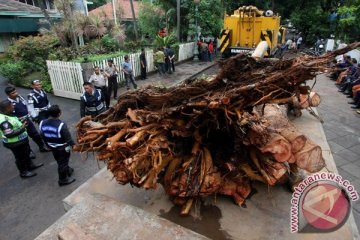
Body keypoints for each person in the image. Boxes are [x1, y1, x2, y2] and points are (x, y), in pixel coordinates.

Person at [0, 100, 43, 178]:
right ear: (7, 108)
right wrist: (23, 128)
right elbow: (9, 134)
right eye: (11, 106)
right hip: (14, 143)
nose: (13, 107)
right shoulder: (4, 121)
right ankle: (23, 172)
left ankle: (30, 166)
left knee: (26, 154)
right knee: (20, 158)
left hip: (21, 140)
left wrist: (20, 121)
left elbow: (14, 123)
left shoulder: (10, 114)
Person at [5, 87, 50, 155]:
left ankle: (42, 147)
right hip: (18, 123)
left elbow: (27, 107)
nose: (16, 93)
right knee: (24, 138)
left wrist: (33, 116)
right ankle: (29, 152)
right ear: (8, 95)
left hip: (27, 120)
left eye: (15, 91)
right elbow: (9, 116)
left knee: (35, 135)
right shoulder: (8, 104)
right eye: (13, 93)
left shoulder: (20, 97)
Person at [39, 105, 76, 186]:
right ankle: (63, 180)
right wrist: (73, 146)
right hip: (62, 148)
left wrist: (47, 145)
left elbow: (42, 135)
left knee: (59, 160)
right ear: (59, 113)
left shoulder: (42, 123)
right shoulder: (61, 125)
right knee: (63, 163)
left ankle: (67, 170)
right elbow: (68, 138)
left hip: (52, 147)